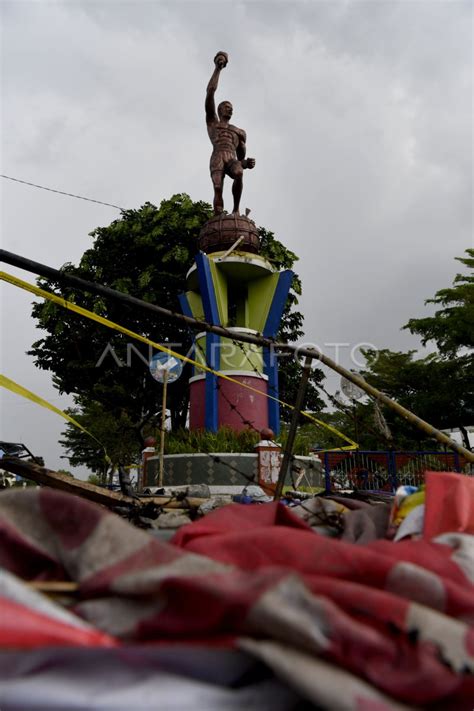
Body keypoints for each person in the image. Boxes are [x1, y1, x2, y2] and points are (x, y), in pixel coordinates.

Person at [205, 51, 255, 215]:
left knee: (239, 173)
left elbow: (241, 154)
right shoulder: (213, 123)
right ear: (220, 110)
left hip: (231, 157)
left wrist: (245, 163)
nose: (230, 110)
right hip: (218, 155)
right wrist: (217, 69)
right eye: (227, 107)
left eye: (232, 108)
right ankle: (218, 213)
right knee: (218, 187)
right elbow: (210, 92)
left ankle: (235, 210)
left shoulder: (238, 131)